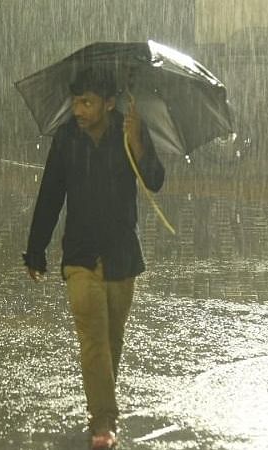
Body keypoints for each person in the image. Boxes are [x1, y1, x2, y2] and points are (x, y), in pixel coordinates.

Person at [23, 67, 165, 449]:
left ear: (109, 103)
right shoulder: (67, 139)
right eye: (75, 102)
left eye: (87, 103)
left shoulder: (129, 130)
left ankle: (101, 408)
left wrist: (137, 143)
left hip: (121, 254)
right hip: (80, 255)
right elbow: (50, 194)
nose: (79, 111)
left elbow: (155, 180)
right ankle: (103, 420)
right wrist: (36, 249)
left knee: (112, 340)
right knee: (93, 339)